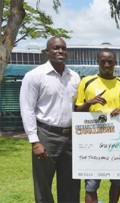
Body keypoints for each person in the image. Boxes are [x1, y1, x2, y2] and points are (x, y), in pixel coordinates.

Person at [19, 36, 81, 202]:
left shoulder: (74, 77)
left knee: (71, 184)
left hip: (71, 138)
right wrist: (35, 142)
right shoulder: (34, 76)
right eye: (55, 48)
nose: (60, 51)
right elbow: (27, 109)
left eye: (63, 48)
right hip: (46, 135)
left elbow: (78, 107)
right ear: (47, 52)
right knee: (43, 186)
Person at [75, 48, 120, 203]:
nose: (106, 64)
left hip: (116, 141)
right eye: (103, 61)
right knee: (91, 184)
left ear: (115, 63)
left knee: (117, 180)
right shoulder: (86, 82)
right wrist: (89, 103)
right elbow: (77, 111)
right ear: (97, 61)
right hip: (93, 140)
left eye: (110, 61)